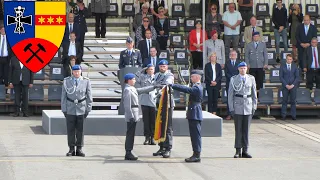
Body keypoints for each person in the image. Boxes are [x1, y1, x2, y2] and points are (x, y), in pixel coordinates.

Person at [123, 73, 162, 160]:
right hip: (132, 115)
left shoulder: (131, 88)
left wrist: (153, 87)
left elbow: (142, 90)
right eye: (133, 79)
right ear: (129, 80)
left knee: (131, 134)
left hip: (134, 113)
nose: (135, 80)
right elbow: (127, 105)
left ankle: (129, 151)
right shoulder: (127, 90)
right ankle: (128, 152)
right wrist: (131, 116)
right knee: (130, 134)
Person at [170, 70, 203, 163]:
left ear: (197, 77)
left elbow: (187, 90)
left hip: (195, 113)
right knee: (194, 135)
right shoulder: (196, 86)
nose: (191, 78)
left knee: (195, 135)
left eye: (192, 77)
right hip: (193, 112)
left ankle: (197, 154)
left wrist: (173, 85)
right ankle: (195, 153)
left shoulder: (197, 87)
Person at [61, 65, 93, 157]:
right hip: (70, 107)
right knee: (70, 129)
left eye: (78, 71)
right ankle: (71, 148)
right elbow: (63, 96)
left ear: (81, 71)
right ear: (72, 72)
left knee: (80, 130)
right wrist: (64, 109)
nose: (76, 73)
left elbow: (89, 95)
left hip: (81, 108)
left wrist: (88, 108)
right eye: (75, 71)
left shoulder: (86, 81)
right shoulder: (67, 81)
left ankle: (79, 148)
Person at [228, 62, 257, 158]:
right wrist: (231, 108)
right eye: (241, 68)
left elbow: (254, 94)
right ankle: (237, 150)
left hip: (248, 106)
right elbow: (230, 95)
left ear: (247, 69)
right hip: (238, 106)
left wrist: (254, 106)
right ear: (238, 69)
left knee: (246, 130)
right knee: (238, 130)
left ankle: (245, 150)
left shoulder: (251, 78)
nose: (243, 70)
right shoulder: (233, 79)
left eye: (244, 68)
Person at [152, 59, 174, 158]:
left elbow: (167, 84)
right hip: (158, 102)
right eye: (161, 66)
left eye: (164, 66)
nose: (162, 68)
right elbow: (152, 84)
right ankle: (161, 147)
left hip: (167, 103)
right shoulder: (156, 75)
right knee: (159, 124)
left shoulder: (169, 75)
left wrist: (159, 86)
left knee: (167, 126)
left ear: (167, 67)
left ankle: (168, 148)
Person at [135, 65, 157, 145]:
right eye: (149, 69)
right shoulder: (143, 77)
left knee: (153, 121)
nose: (151, 71)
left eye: (152, 69)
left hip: (154, 101)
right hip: (144, 101)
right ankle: (147, 137)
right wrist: (142, 70)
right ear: (147, 70)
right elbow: (136, 77)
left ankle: (153, 137)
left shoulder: (156, 77)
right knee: (146, 121)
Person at [280, 54, 299, 120]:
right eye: (288, 59)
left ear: (292, 60)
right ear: (286, 59)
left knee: (293, 101)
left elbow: (297, 77)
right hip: (285, 86)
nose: (289, 60)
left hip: (293, 86)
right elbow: (281, 77)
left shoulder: (295, 66)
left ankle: (293, 115)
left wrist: (292, 85)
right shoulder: (282, 66)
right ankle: (283, 115)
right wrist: (286, 85)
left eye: (290, 59)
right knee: (284, 101)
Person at [224, 50, 240, 120]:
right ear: (230, 55)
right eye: (232, 54)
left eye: (234, 54)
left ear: (236, 55)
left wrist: (235, 79)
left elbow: (240, 72)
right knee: (229, 99)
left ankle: (237, 114)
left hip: (238, 83)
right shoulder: (227, 63)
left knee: (237, 98)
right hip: (229, 82)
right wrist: (232, 79)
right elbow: (226, 72)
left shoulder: (239, 63)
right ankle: (229, 114)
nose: (233, 56)